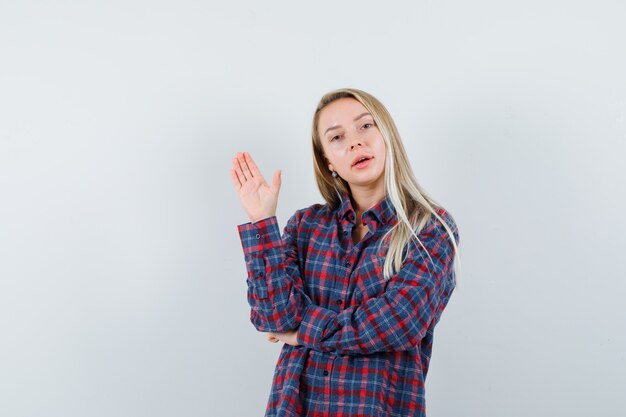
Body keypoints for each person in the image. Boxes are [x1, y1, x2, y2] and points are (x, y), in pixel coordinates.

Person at [230, 88, 460, 417]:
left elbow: (396, 323)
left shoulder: (430, 229)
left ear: (386, 136)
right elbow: (272, 316)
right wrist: (263, 220)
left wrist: (301, 332)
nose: (354, 142)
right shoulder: (305, 226)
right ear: (329, 162)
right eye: (337, 137)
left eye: (365, 126)